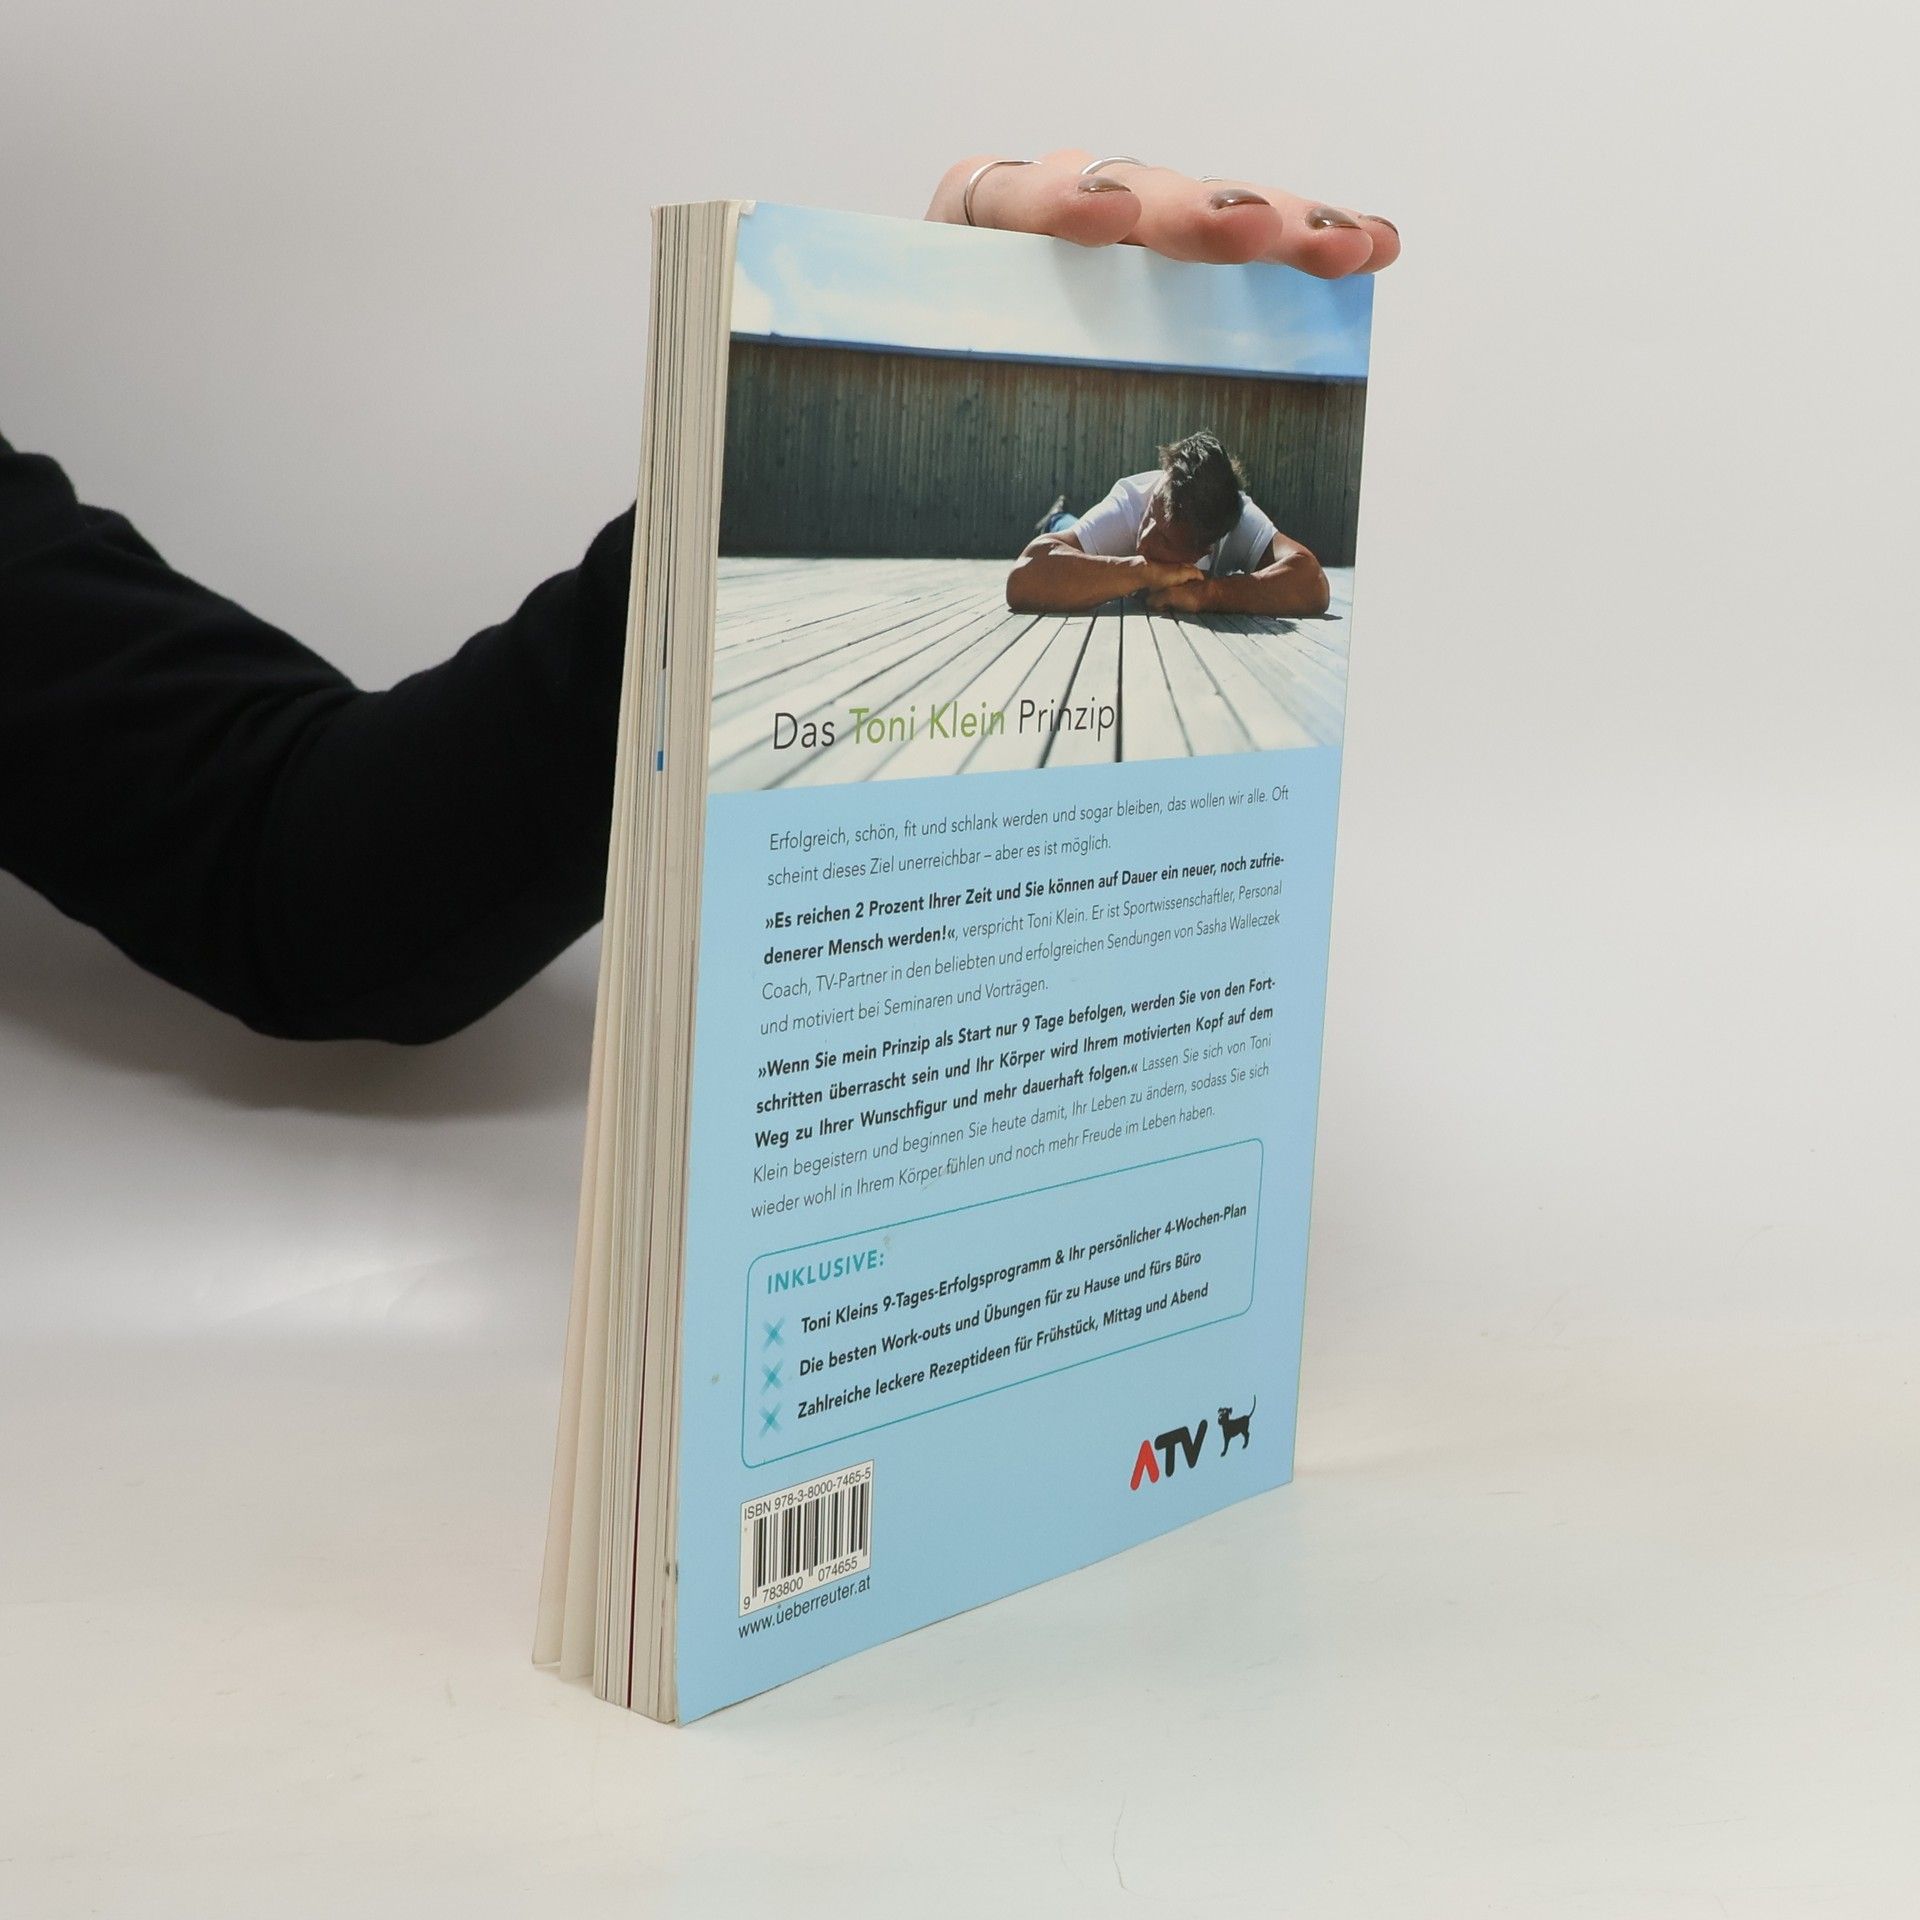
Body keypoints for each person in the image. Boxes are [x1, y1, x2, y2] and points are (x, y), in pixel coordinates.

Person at [0, 151, 1396, 1045]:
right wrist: (1142, 572)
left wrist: (708, 553)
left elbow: (294, 866)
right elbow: (1037, 578)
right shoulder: (1133, 506)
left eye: (1184, 530)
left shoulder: (1223, 507)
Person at [1007, 430, 1329, 618]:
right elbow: (1024, 576)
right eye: (1152, 515)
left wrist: (1210, 594)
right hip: (1080, 532)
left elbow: (1311, 581)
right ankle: (1056, 516)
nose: (1144, 537)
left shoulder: (1238, 519)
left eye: (1165, 538)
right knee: (1066, 525)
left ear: (1204, 550)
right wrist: (1141, 571)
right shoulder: (1130, 504)